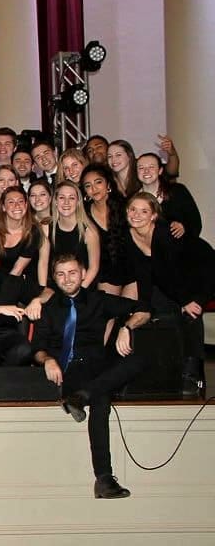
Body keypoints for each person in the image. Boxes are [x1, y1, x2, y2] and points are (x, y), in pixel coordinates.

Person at [33, 253, 150, 498]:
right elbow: (37, 349)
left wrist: (127, 327)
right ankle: (104, 478)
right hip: (66, 371)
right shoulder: (49, 308)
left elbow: (144, 309)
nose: (67, 279)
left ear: (84, 274)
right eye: (61, 274)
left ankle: (82, 396)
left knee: (139, 358)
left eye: (72, 272)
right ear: (54, 278)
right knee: (102, 400)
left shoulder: (98, 300)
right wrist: (48, 360)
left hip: (96, 367)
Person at [125, 193, 214, 395]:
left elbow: (173, 274)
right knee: (160, 309)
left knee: (192, 312)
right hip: (177, 280)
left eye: (144, 211)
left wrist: (185, 301)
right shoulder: (130, 234)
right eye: (133, 209)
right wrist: (144, 306)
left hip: (203, 272)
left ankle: (194, 374)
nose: (136, 215)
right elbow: (144, 273)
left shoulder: (163, 233)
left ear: (154, 215)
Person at [81, 164, 134, 296]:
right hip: (106, 273)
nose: (93, 188)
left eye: (98, 182)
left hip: (133, 269)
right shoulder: (84, 215)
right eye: (88, 185)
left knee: (133, 313)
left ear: (108, 184)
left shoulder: (126, 207)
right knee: (108, 314)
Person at [136, 152, 201, 240]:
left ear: (160, 170)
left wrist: (184, 227)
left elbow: (195, 223)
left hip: (183, 248)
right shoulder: (133, 200)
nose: (146, 171)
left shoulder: (178, 191)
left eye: (151, 167)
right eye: (141, 168)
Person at [47, 181, 101, 288]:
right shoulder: (47, 227)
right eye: (62, 197)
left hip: (83, 287)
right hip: (56, 287)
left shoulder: (89, 231)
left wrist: (77, 294)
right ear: (56, 201)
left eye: (71, 198)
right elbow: (44, 265)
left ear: (78, 202)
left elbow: (93, 268)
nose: (66, 202)